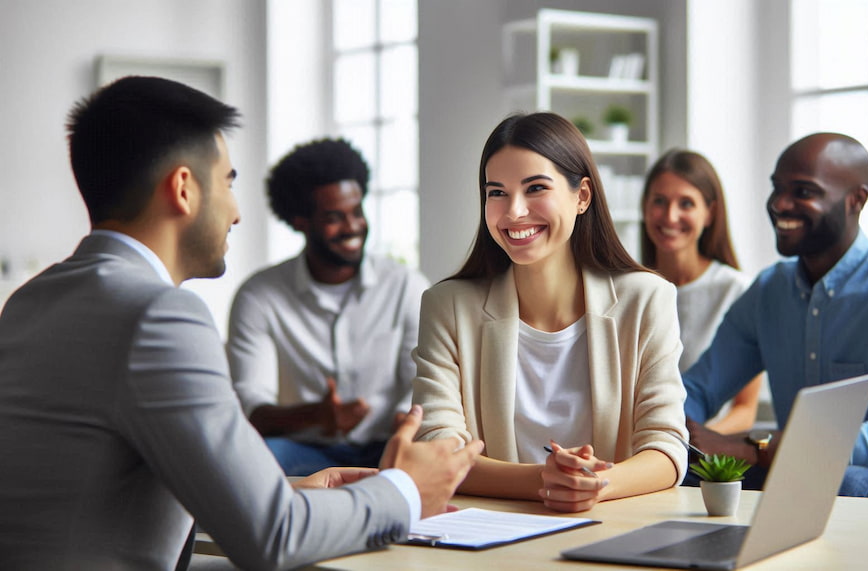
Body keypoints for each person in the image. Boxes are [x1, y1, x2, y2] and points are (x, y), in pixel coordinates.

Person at [0, 76, 482, 570]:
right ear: (184, 189)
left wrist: (291, 495)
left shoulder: (29, 301)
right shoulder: (160, 317)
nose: (235, 213)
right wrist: (404, 491)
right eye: (228, 181)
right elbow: (275, 537)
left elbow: (114, 487)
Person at [411, 112, 688, 514]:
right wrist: (546, 480)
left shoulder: (646, 299)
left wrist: (594, 484)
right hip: (493, 536)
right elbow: (438, 449)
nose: (514, 212)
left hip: (611, 528)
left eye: (535, 188)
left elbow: (666, 448)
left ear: (582, 196)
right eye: (497, 192)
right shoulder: (448, 307)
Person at [683, 132, 868, 501]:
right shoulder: (769, 292)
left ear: (856, 200)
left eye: (803, 192)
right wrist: (671, 428)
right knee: (687, 468)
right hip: (801, 483)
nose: (780, 204)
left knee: (845, 484)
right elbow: (700, 389)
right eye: (777, 188)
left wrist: (754, 448)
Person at [227, 138, 429, 475]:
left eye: (357, 211)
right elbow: (252, 407)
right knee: (255, 462)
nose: (352, 227)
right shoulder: (259, 296)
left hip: (390, 444)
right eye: (334, 217)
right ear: (299, 221)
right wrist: (316, 416)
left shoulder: (406, 286)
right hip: (306, 449)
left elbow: (423, 379)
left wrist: (404, 416)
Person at [639, 149, 763, 434]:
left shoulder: (738, 292)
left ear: (710, 214)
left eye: (686, 203)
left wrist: (696, 445)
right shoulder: (627, 288)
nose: (670, 216)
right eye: (659, 201)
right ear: (645, 208)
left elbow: (745, 409)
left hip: (703, 456)